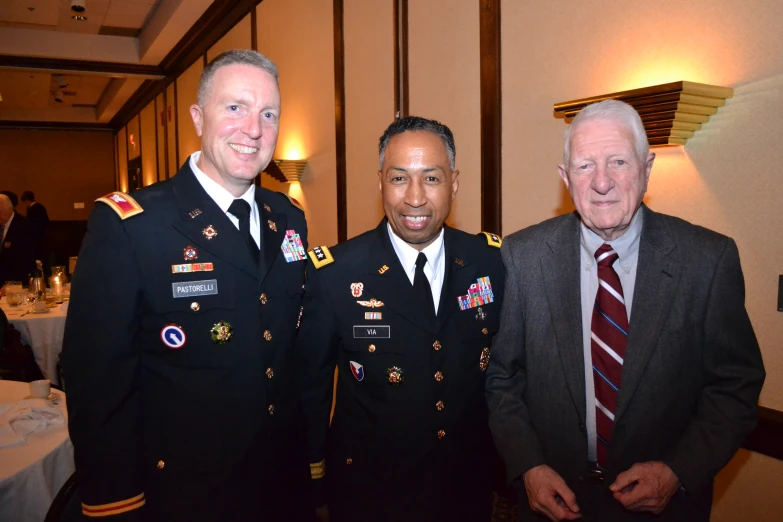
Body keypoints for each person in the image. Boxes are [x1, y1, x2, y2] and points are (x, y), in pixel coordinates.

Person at [486, 99, 765, 522]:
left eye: (618, 161)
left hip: (664, 509)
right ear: (565, 178)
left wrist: (678, 471)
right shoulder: (522, 258)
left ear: (647, 167)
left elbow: (735, 387)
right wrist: (528, 465)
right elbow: (502, 378)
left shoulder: (707, 260)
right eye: (584, 166)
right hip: (551, 505)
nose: (601, 183)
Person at [62, 49, 311, 521]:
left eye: (268, 113)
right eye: (235, 107)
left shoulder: (289, 218)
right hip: (186, 493)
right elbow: (98, 382)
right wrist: (115, 502)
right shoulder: (132, 225)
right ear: (198, 116)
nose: (253, 129)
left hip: (281, 485)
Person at [297, 116, 505, 521]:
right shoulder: (336, 273)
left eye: (431, 179)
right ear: (380, 182)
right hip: (372, 495)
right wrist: (314, 482)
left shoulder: (490, 262)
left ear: (454, 183)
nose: (414, 198)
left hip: (467, 490)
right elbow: (311, 392)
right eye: (398, 179)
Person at [0, 193, 36, 286]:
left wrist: (10, 283)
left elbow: (24, 259)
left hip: (17, 283)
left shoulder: (24, 226)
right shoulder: (1, 225)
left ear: (4, 211)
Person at [20, 191, 50, 266]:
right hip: (42, 236)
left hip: (36, 237)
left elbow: (30, 224)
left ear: (27, 200)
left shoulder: (33, 209)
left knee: (37, 257)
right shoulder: (40, 207)